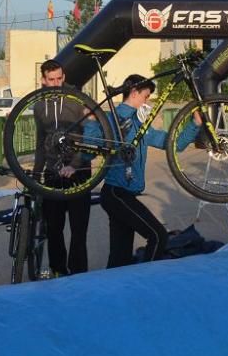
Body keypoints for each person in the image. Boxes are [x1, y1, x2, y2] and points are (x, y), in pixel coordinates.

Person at [93, 74, 202, 268]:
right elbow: (90, 141)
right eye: (146, 96)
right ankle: (144, 281)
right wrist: (73, 162)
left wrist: (195, 124)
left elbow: (172, 144)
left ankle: (115, 290)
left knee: (120, 256)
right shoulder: (111, 119)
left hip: (121, 194)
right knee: (158, 235)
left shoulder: (141, 125)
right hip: (115, 193)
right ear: (134, 93)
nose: (148, 101)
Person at [33, 60, 92, 276]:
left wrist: (75, 164)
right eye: (51, 79)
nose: (56, 83)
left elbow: (89, 133)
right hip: (53, 171)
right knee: (54, 228)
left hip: (79, 170)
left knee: (78, 229)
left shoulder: (77, 99)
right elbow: (40, 141)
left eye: (60, 78)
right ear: (43, 80)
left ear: (63, 76)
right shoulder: (38, 104)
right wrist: (35, 173)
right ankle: (58, 269)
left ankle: (79, 272)